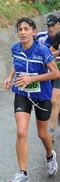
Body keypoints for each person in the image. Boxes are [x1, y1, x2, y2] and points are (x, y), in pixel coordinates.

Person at [3, 17, 60, 182]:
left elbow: (56, 73)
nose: (23, 32)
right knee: (21, 132)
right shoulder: (15, 48)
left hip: (42, 95)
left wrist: (32, 78)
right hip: (22, 93)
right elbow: (17, 64)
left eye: (26, 29)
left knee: (42, 134)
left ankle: (50, 155)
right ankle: (23, 174)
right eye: (20, 29)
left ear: (34, 32)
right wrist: (10, 77)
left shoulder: (42, 51)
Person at [35, 14, 60, 142]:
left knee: (55, 99)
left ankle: (51, 131)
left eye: (53, 25)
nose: (51, 28)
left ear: (58, 24)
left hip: (58, 73)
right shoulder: (41, 37)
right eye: (48, 26)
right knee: (50, 100)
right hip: (47, 71)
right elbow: (48, 54)